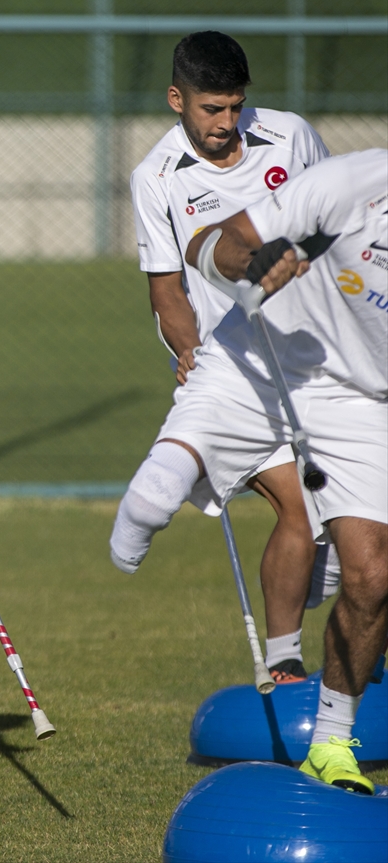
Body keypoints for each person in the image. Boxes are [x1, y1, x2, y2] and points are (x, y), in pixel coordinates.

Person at [112, 148, 387, 792]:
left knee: (373, 577)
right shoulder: (354, 181)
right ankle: (142, 516)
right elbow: (211, 242)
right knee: (155, 498)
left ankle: (329, 746)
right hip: (261, 355)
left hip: (363, 400)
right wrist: (251, 265)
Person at [126, 31, 335, 684]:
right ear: (176, 100)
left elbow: (334, 220)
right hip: (236, 373)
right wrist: (187, 350)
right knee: (299, 508)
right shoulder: (155, 178)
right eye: (211, 109)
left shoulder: (292, 136)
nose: (225, 123)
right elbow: (166, 290)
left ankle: (352, 652)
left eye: (235, 107)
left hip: (320, 356)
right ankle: (286, 669)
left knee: (349, 524)